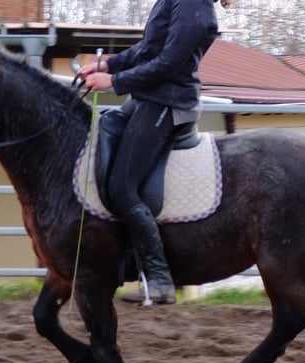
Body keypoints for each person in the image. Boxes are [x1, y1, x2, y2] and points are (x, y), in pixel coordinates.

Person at [78, 0, 231, 304]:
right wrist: (110, 63)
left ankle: (160, 279)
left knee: (123, 187)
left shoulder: (193, 8)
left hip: (168, 102)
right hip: (150, 96)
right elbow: (148, 48)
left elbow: (167, 64)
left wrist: (113, 81)